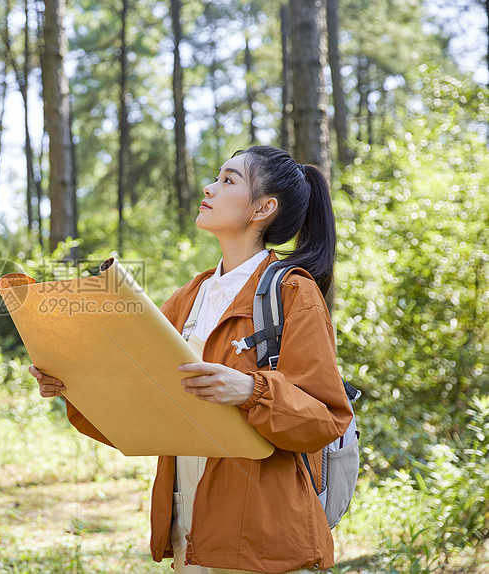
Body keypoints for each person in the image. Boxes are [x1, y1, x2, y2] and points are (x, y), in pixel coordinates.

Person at [29, 146, 353, 574]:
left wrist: (250, 390)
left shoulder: (293, 293)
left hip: (261, 533)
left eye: (228, 180)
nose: (209, 187)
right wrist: (74, 382)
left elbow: (325, 418)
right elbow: (141, 397)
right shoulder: (190, 297)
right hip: (190, 524)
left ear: (264, 208)